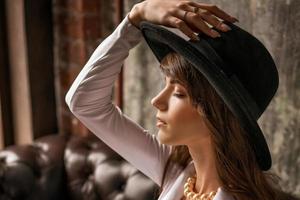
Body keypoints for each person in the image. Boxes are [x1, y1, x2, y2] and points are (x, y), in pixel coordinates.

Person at [65, 0, 298, 200]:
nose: (156, 100)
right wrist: (135, 18)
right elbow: (83, 102)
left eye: (178, 93)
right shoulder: (174, 170)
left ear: (215, 111)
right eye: (165, 85)